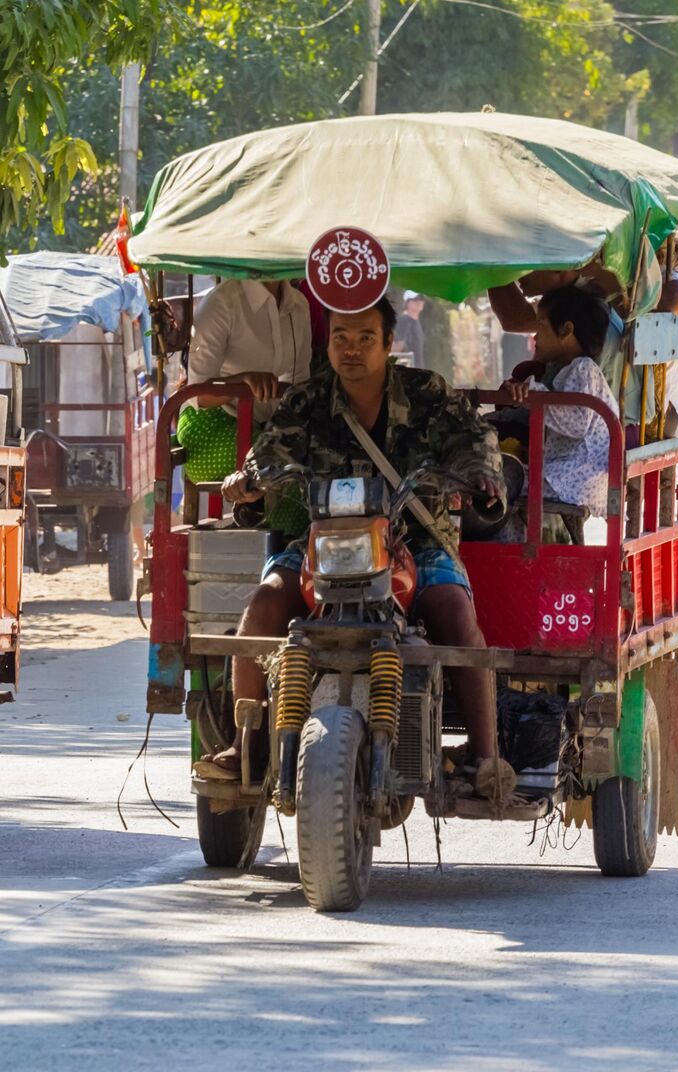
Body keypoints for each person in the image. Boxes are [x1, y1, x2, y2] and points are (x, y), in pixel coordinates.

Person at [193, 298, 517, 805]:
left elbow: (475, 438)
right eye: (341, 336)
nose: (352, 349)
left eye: (366, 338)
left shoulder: (428, 393)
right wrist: (249, 482)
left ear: (389, 343)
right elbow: (270, 452)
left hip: (418, 541)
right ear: (329, 342)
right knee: (263, 604)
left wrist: (480, 474)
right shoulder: (306, 402)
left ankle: (484, 755)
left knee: (454, 611)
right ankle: (245, 744)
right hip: (324, 542)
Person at [488, 284, 621, 539]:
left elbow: (576, 422)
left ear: (566, 330)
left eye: (541, 325)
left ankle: (509, 548)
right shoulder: (569, 370)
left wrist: (532, 394)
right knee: (506, 482)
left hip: (574, 477)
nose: (535, 336)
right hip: (571, 475)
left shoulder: (582, 369)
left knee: (498, 481)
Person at [186, 278, 316, 420]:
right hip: (212, 419)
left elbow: (298, 381)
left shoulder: (298, 305)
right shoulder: (221, 303)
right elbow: (198, 395)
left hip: (264, 423)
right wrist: (242, 381)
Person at [394, 291, 427, 368]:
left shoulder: (416, 321)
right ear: (407, 303)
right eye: (415, 299)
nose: (419, 302)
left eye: (421, 299)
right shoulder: (404, 320)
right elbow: (396, 348)